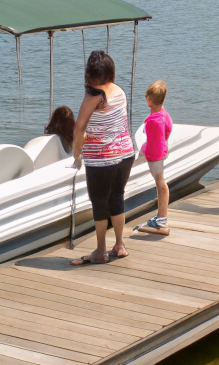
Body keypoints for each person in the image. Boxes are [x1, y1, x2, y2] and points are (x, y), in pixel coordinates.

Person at [70, 50, 136, 265]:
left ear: (89, 74)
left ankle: (100, 251)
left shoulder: (94, 96)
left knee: (99, 203)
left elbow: (79, 128)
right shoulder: (119, 90)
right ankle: (119, 244)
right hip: (125, 153)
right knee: (117, 196)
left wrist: (77, 154)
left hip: (102, 157)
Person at [135, 80, 173, 235]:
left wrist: (143, 152)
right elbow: (168, 131)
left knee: (160, 182)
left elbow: (151, 142)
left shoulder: (152, 121)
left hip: (154, 156)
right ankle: (161, 217)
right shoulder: (164, 114)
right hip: (162, 152)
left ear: (148, 101)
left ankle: (161, 218)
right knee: (160, 182)